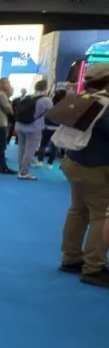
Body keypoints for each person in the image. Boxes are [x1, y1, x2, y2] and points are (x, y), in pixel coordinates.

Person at [59, 63, 109, 287]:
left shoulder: (84, 99)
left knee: (78, 211)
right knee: (101, 216)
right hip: (96, 168)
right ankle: (93, 267)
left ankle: (71, 258)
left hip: (74, 163)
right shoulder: (105, 106)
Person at [14, 79, 53, 180]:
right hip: (34, 127)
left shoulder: (28, 97)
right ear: (45, 88)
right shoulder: (46, 100)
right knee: (30, 150)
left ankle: (20, 169)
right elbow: (51, 113)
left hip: (20, 125)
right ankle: (24, 172)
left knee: (21, 148)